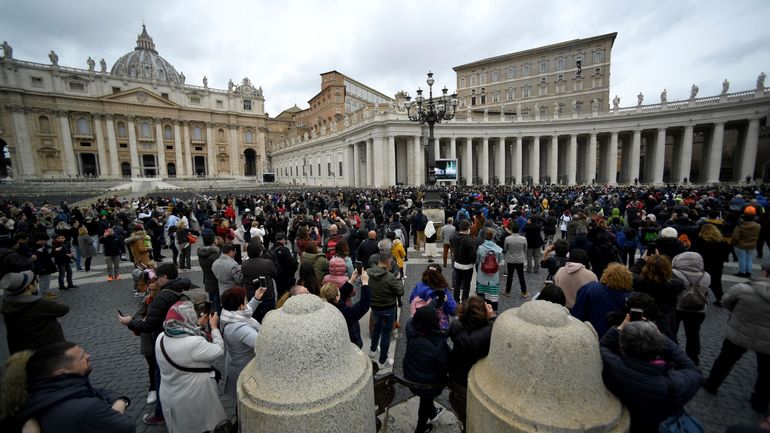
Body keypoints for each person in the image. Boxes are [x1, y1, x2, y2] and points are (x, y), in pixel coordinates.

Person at [118, 262, 192, 426]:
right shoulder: (188, 286)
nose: (156, 281)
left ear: (164, 277)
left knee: (161, 379)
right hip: (187, 339)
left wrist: (129, 322)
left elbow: (148, 325)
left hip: (166, 343)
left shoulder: (163, 296)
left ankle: (160, 413)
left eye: (158, 278)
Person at [4, 341, 135, 433]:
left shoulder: (43, 394)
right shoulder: (87, 407)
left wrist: (119, 399)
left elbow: (97, 390)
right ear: (61, 373)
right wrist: (120, 405)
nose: (88, 356)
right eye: (82, 357)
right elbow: (126, 426)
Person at [600, 318, 703, 433]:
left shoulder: (613, 366)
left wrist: (619, 328)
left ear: (622, 347)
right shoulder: (673, 384)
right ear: (659, 347)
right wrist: (663, 339)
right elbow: (694, 371)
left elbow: (602, 347)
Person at [704, 259, 770, 413]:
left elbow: (726, 301)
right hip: (767, 340)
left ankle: (712, 384)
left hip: (740, 330)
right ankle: (760, 400)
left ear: (765, 272)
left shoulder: (744, 288)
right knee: (766, 371)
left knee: (726, 360)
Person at [155, 300, 228, 433]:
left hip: (170, 395)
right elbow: (218, 350)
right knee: (204, 427)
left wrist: (196, 325)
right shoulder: (194, 343)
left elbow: (184, 334)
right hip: (193, 398)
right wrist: (214, 327)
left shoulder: (160, 338)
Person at [403, 304, 449, 433]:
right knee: (426, 398)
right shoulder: (438, 343)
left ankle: (433, 412)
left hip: (410, 374)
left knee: (426, 398)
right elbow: (445, 364)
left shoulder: (410, 328)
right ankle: (420, 428)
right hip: (427, 383)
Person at [1, 271, 69, 354]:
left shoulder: (8, 305)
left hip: (21, 351)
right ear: (29, 287)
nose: (36, 282)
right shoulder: (38, 304)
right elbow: (64, 309)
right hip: (47, 348)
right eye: (34, 281)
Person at [220, 286, 265, 399]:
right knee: (244, 398)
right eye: (245, 300)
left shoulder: (228, 314)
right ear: (240, 305)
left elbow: (245, 311)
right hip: (243, 368)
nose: (246, 302)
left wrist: (256, 298)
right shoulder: (239, 328)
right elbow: (261, 344)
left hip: (234, 362)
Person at [571, 263, 634, 338]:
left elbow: (577, 314)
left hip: (590, 333)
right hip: (615, 337)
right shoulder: (629, 297)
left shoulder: (589, 288)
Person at [631, 253, 684, 340]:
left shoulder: (640, 282)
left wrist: (642, 260)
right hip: (666, 319)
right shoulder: (674, 285)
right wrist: (665, 269)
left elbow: (631, 273)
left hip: (645, 318)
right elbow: (679, 281)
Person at [671, 252, 711, 365]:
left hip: (678, 306)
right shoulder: (706, 276)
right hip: (697, 308)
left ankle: (674, 355)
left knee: (673, 331)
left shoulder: (674, 273)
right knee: (693, 334)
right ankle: (693, 358)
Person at [368, 247, 403, 370]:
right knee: (386, 334)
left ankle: (372, 350)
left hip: (374, 307)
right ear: (388, 262)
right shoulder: (390, 277)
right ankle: (382, 361)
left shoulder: (368, 273)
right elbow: (400, 291)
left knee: (376, 328)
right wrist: (398, 279)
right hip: (388, 308)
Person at [448, 296, 496, 385]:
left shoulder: (456, 328)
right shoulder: (485, 335)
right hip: (476, 378)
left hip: (458, 374)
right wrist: (492, 317)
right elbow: (496, 329)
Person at [319, 269, 371, 348]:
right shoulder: (345, 312)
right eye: (338, 290)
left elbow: (341, 295)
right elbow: (364, 305)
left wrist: (351, 280)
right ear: (337, 297)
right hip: (351, 342)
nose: (340, 291)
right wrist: (365, 283)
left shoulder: (328, 305)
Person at [691, 223, 731, 305]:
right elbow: (727, 252)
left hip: (703, 264)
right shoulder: (722, 242)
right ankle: (720, 299)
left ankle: (701, 299)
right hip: (717, 264)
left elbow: (694, 251)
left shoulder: (700, 240)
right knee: (716, 283)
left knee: (701, 282)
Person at [409, 265, 458, 330]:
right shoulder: (442, 291)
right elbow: (453, 310)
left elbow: (411, 301)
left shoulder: (418, 286)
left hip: (420, 323)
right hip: (438, 325)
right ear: (439, 276)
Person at [242, 238, 279, 321]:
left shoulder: (244, 265)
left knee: (255, 319)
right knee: (269, 318)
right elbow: (275, 274)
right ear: (260, 251)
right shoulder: (267, 263)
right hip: (267, 294)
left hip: (252, 296)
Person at [475, 228, 504, 311]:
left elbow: (477, 261)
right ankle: (492, 311)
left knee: (481, 294)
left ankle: (481, 310)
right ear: (493, 237)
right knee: (493, 295)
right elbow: (500, 260)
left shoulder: (480, 248)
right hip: (494, 276)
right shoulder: (497, 248)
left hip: (482, 275)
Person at [732, 207, 761, 278]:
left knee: (742, 258)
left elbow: (735, 237)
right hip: (752, 244)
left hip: (741, 245)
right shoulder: (758, 226)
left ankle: (742, 272)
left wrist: (734, 242)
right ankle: (748, 272)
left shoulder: (740, 226)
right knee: (749, 258)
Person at [197, 229, 222, 313]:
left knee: (211, 304)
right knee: (217, 306)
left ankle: (211, 321)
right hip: (216, 283)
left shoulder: (201, 252)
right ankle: (216, 323)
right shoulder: (215, 255)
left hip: (207, 280)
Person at [452, 220, 475, 303]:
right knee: (466, 284)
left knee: (457, 283)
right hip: (467, 265)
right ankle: (464, 300)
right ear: (468, 228)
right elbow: (472, 255)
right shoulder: (470, 240)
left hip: (457, 263)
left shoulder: (454, 237)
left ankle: (456, 299)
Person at [503, 225, 528, 297]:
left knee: (510, 276)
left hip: (510, 259)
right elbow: (525, 249)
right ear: (519, 230)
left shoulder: (507, 238)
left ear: (511, 230)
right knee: (521, 276)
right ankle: (524, 292)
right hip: (520, 260)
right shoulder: (523, 239)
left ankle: (507, 291)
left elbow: (505, 249)